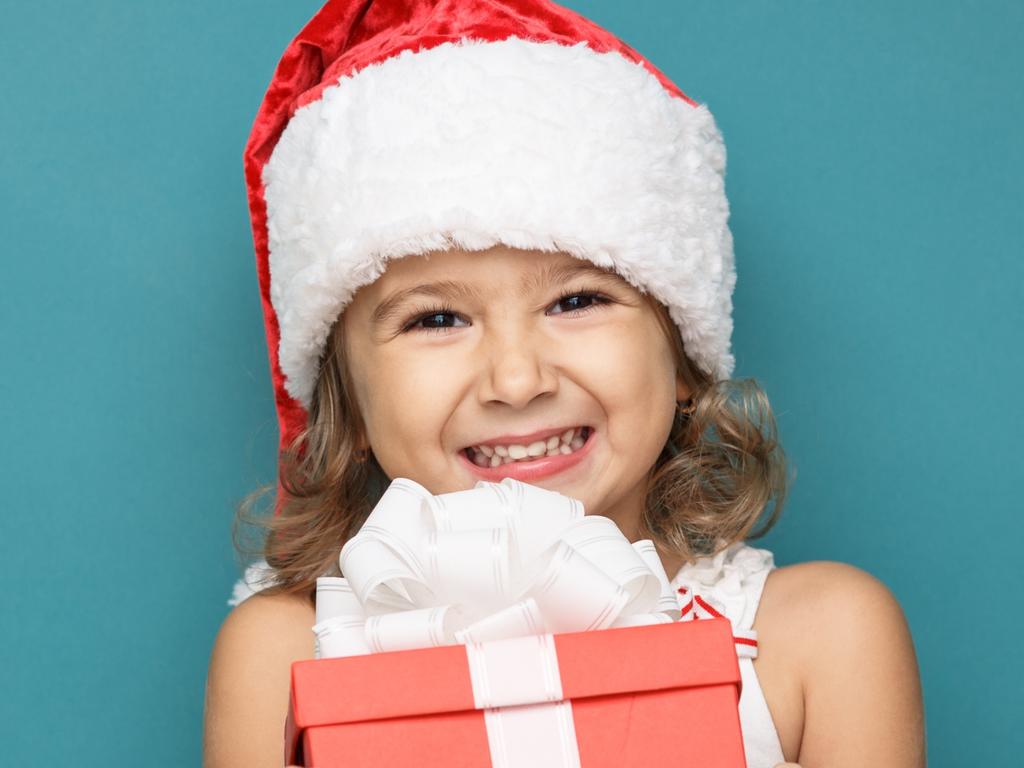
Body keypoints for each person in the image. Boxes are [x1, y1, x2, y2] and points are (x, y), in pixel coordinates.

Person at [202, 1, 925, 766]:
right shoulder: (288, 655)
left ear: (684, 356)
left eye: (577, 301)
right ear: (347, 403)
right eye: (436, 319)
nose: (516, 380)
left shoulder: (815, 641)